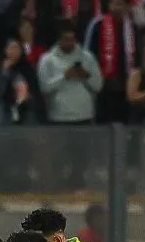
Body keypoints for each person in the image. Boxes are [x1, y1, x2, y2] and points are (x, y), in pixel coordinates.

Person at [37, 21, 103, 188]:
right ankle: (57, 185)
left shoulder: (87, 57)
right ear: (59, 40)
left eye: (72, 39)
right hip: (59, 116)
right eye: (65, 39)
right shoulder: (47, 59)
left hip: (84, 115)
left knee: (81, 157)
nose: (69, 43)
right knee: (58, 156)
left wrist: (85, 75)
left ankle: (77, 183)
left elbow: (98, 85)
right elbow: (44, 86)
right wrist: (64, 76)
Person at [85, 0, 139, 123]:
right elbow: (88, 53)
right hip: (103, 84)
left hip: (125, 84)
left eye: (120, 4)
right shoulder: (98, 24)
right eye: (114, 4)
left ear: (127, 7)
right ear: (109, 5)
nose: (116, 8)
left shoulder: (132, 27)